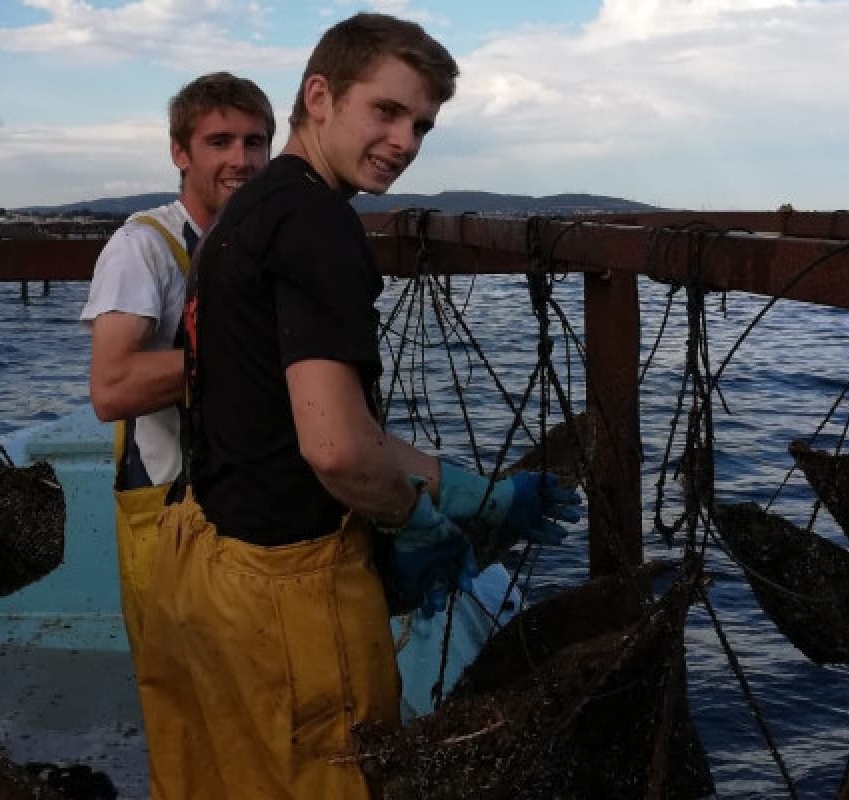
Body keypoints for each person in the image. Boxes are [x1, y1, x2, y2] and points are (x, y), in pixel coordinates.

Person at [141, 13, 581, 800]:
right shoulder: (318, 224)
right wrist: (412, 523)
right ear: (320, 95)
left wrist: (473, 490)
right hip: (293, 591)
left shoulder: (244, 212)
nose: (406, 141)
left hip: (214, 564)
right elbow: (337, 449)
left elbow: (307, 413)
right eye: (386, 111)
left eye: (422, 125)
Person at [79, 72, 274, 661]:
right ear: (179, 152)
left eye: (254, 142)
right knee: (186, 706)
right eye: (219, 142)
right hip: (169, 515)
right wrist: (244, 355)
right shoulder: (143, 247)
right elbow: (111, 388)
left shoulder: (261, 244)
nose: (240, 160)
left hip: (253, 510)